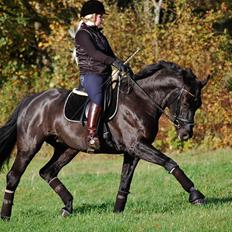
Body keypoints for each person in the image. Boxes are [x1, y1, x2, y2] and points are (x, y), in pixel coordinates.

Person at [75, 0, 132, 152]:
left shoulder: (100, 35)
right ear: (92, 16)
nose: (102, 19)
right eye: (100, 16)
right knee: (98, 98)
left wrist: (122, 65)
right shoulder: (82, 34)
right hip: (91, 75)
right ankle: (91, 135)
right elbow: (94, 54)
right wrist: (113, 62)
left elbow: (110, 54)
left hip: (105, 74)